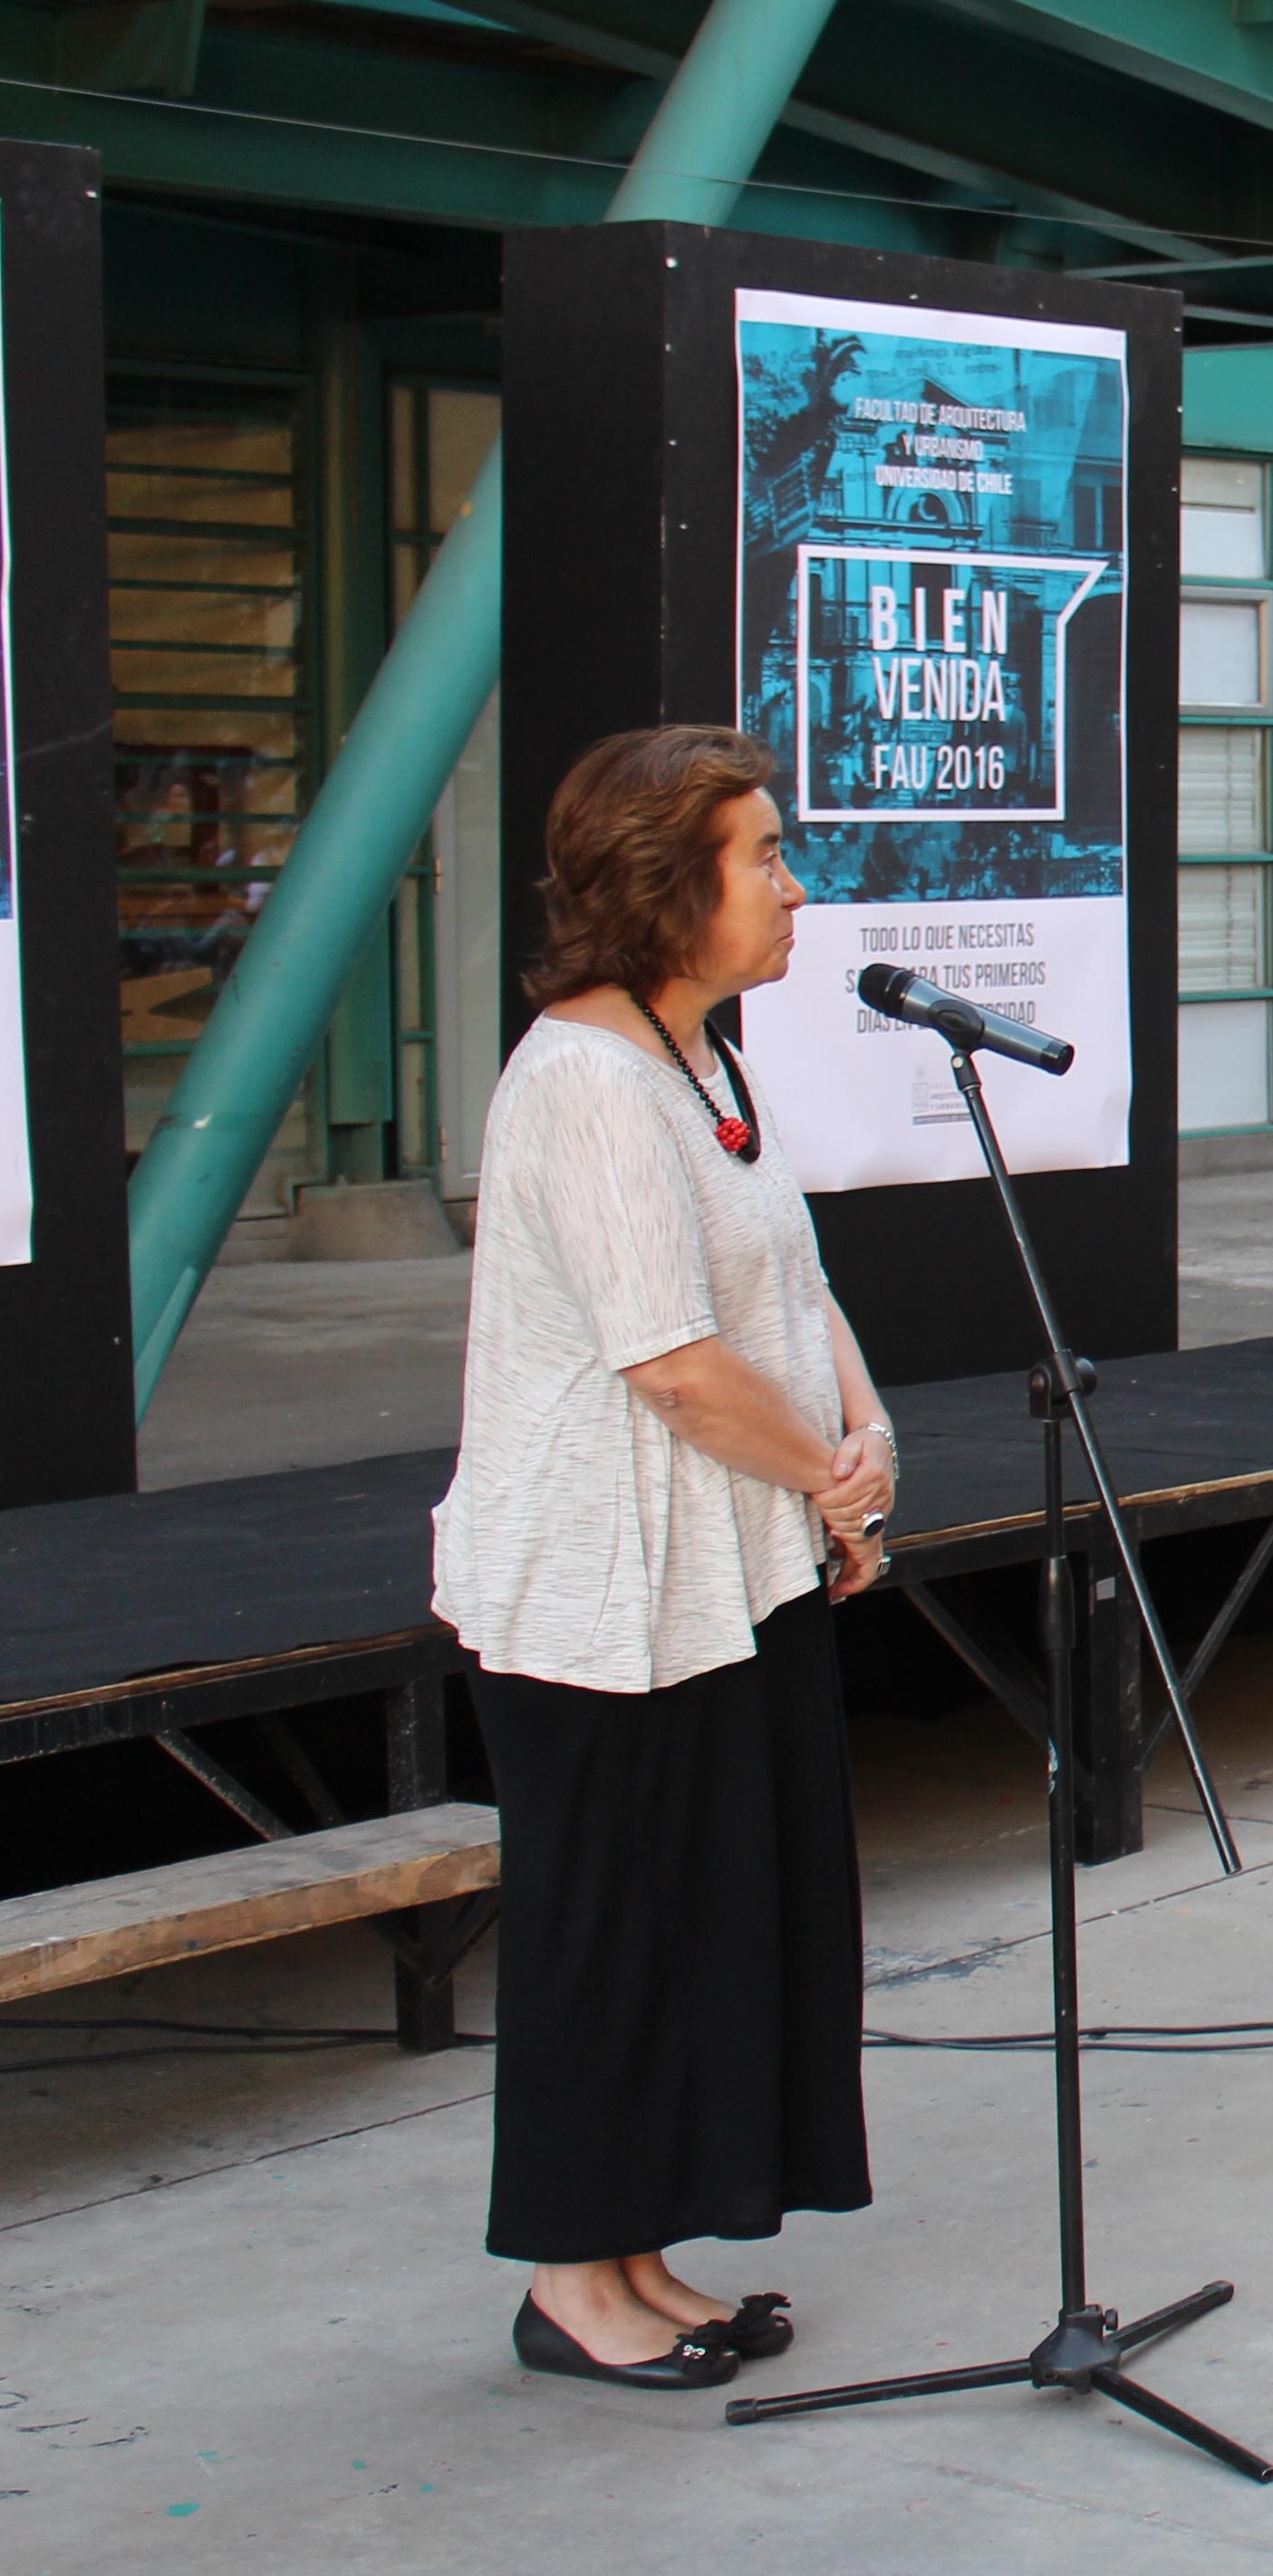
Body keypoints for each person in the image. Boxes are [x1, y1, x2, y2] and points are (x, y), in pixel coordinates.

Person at [442, 725, 889, 2390]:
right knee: (607, 1932)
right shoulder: (582, 1080)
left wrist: (860, 1435)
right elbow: (676, 1363)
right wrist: (827, 1493)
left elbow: (789, 1276)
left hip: (722, 1568)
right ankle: (573, 2283)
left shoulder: (700, 1056)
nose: (792, 886)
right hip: (596, 1592)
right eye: (762, 856)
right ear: (661, 884)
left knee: (705, 1919)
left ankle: (638, 2251)